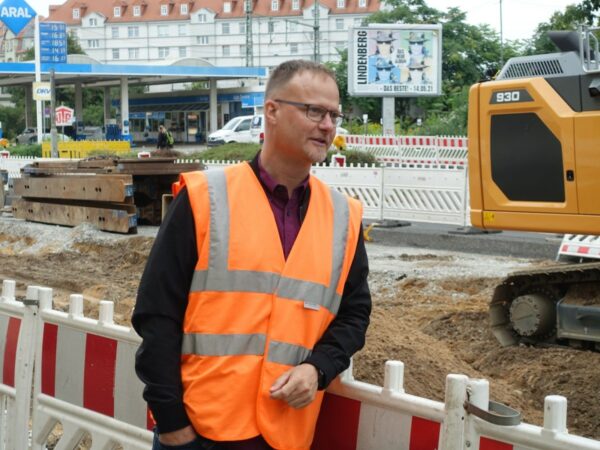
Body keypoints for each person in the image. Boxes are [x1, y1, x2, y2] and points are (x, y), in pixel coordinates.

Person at [132, 59, 372, 450]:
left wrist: (319, 368)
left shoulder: (344, 217)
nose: (328, 125)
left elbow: (354, 313)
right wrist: (172, 422)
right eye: (314, 111)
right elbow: (156, 314)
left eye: (334, 115)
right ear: (272, 111)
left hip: (284, 432)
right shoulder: (203, 198)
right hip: (200, 430)